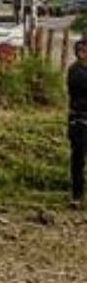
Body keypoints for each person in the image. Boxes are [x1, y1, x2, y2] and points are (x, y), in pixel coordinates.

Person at [67, 39, 87, 208]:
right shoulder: (77, 71)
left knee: (78, 159)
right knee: (78, 159)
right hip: (79, 121)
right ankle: (77, 195)